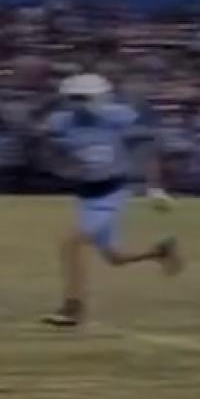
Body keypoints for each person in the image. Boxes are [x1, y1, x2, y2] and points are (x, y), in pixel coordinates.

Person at [40, 74, 181, 329]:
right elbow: (47, 147)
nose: (77, 104)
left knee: (71, 244)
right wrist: (59, 162)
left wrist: (154, 187)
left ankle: (73, 308)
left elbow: (148, 148)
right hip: (85, 194)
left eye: (82, 98)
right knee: (114, 258)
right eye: (73, 98)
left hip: (111, 192)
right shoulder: (60, 122)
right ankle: (160, 252)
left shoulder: (120, 118)